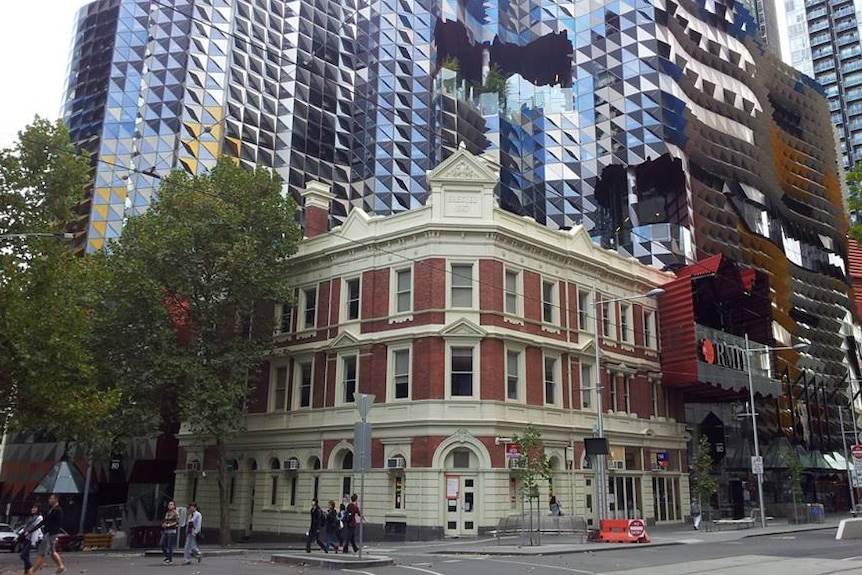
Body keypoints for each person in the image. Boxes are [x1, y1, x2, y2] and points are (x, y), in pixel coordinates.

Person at [28, 493, 65, 575]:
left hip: (50, 533)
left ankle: (32, 571)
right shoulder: (51, 509)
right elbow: (44, 521)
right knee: (52, 551)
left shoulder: (58, 510)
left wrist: (48, 530)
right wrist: (32, 530)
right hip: (50, 533)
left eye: (51, 498)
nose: (49, 500)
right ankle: (60, 566)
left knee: (42, 552)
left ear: (56, 499)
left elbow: (57, 524)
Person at [19, 503, 42, 575]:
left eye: (35, 508)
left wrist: (28, 531)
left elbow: (35, 527)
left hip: (33, 537)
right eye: (32, 508)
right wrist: (23, 531)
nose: (33, 509)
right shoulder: (31, 517)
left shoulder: (39, 517)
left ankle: (30, 567)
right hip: (27, 537)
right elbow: (27, 526)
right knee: (26, 555)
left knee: (23, 555)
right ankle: (26, 571)